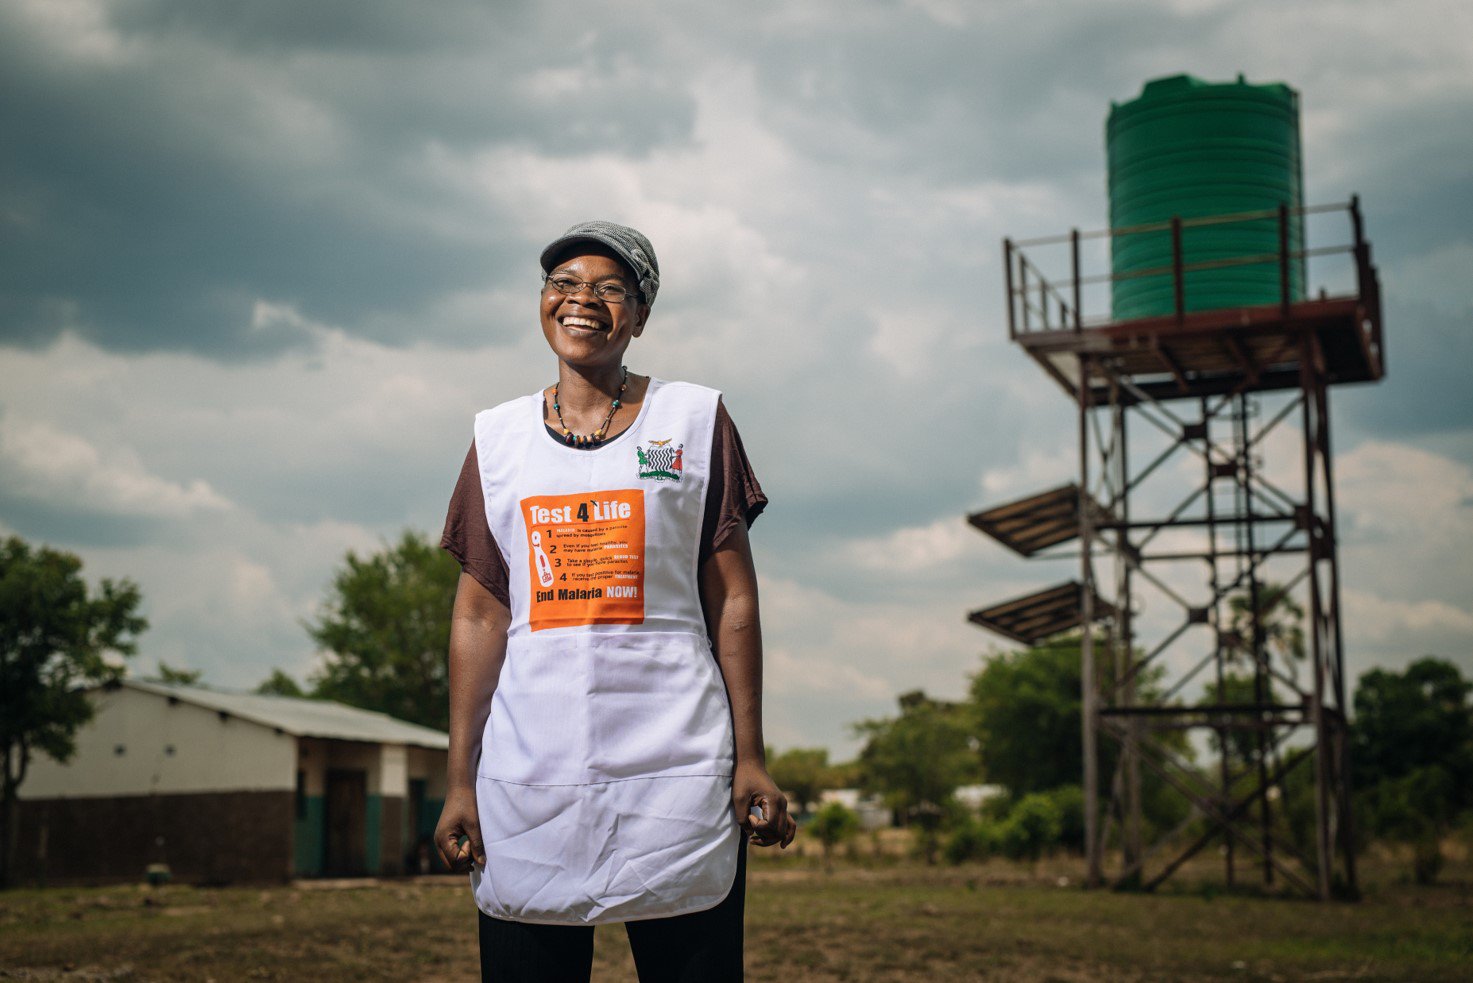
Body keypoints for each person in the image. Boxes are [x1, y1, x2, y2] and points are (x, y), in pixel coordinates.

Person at [435, 220, 796, 982]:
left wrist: (751, 758)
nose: (581, 300)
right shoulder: (497, 439)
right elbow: (478, 614)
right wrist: (459, 778)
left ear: (640, 314)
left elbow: (732, 597)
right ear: (542, 301)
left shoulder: (693, 420)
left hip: (675, 770)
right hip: (530, 779)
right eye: (563, 284)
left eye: (608, 288)